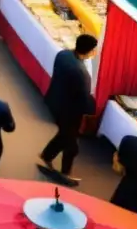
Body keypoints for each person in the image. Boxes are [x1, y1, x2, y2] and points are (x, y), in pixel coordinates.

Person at [39, 33, 99, 186]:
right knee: (71, 144)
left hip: (55, 101)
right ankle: (65, 173)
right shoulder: (82, 73)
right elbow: (84, 100)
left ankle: (46, 155)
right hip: (70, 111)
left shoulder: (63, 54)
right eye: (94, 50)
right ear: (89, 51)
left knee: (64, 135)